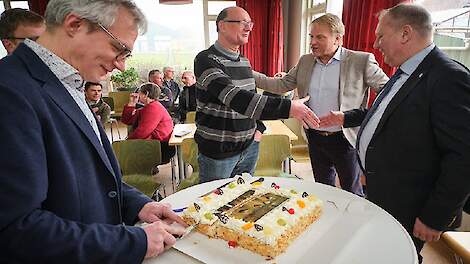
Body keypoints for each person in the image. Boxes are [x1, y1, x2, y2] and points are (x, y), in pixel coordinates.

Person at [0, 1, 186, 263]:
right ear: (75, 24)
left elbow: (86, 175)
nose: (122, 65)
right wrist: (133, 242)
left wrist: (137, 205)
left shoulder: (69, 81)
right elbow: (16, 229)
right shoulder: (9, 91)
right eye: (118, 48)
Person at [319, 4, 470, 262]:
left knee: (400, 256)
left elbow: (463, 157)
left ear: (405, 34)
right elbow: (384, 113)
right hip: (386, 192)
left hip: (413, 204)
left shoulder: (448, 77)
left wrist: (435, 216)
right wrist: (347, 118)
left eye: (381, 36)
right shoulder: (406, 71)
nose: (376, 43)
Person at [254, 13, 389, 196]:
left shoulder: (361, 61)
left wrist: (354, 117)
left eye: (320, 37)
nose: (313, 42)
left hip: (345, 139)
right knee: (322, 189)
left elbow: (389, 94)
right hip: (314, 137)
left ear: (338, 39)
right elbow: (281, 85)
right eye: (311, 36)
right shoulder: (305, 61)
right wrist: (247, 73)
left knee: (351, 191)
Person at [194, 6, 319, 183]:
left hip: (249, 147)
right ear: (222, 26)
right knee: (215, 203)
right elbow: (235, 97)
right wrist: (289, 107)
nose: (249, 28)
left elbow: (251, 99)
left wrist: (258, 128)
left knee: (242, 201)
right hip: (219, 153)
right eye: (242, 22)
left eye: (250, 23)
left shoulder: (244, 61)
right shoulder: (206, 60)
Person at [121, 83, 176, 164]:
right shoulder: (147, 107)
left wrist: (126, 143)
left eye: (139, 92)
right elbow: (127, 120)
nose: (137, 94)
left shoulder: (153, 108)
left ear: (145, 94)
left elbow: (143, 132)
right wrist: (131, 103)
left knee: (119, 153)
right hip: (152, 144)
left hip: (159, 147)